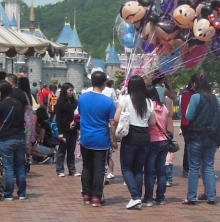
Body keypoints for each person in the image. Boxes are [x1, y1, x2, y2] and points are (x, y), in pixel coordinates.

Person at [112, 75, 157, 210]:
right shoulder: (149, 101)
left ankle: (135, 197)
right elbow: (153, 122)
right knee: (138, 168)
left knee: (126, 168)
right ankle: (137, 197)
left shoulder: (126, 99)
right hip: (145, 136)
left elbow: (116, 118)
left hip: (130, 136)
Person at [77, 70, 116, 207]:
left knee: (87, 167)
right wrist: (114, 140)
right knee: (99, 169)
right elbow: (112, 123)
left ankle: (86, 194)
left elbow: (81, 114)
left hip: (86, 138)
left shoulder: (82, 98)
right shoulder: (108, 102)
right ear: (104, 83)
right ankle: (96, 197)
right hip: (101, 139)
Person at [183, 73, 220, 205]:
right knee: (209, 166)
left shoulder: (196, 97)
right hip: (212, 136)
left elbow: (189, 116)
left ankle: (191, 197)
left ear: (195, 84)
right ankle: (211, 196)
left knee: (194, 167)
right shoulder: (215, 98)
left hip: (197, 135)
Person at [0, 82, 27, 200]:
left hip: (7, 138)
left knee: (9, 167)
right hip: (21, 137)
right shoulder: (19, 103)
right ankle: (22, 193)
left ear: (1, 91)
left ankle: (9, 194)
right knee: (20, 166)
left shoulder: (1, 104)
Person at [144, 89, 172, 206]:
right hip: (164, 140)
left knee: (150, 171)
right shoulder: (164, 107)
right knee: (161, 170)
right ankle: (160, 197)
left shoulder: (148, 107)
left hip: (153, 141)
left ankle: (148, 198)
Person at [53, 84, 78, 177]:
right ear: (65, 91)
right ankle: (60, 170)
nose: (71, 92)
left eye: (72, 90)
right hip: (64, 129)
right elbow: (58, 119)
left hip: (73, 129)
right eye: (70, 90)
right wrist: (60, 132)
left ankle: (72, 169)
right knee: (62, 150)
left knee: (71, 151)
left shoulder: (74, 102)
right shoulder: (60, 103)